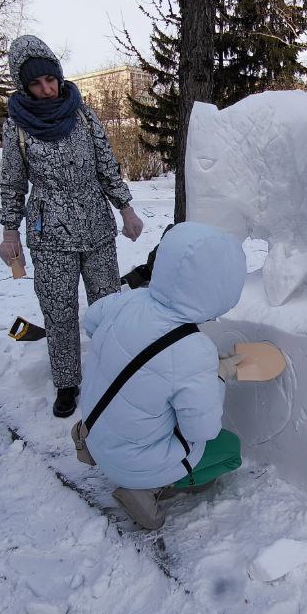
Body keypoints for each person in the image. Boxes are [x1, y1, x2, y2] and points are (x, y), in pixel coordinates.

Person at [0, 34, 144, 419]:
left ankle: (113, 369)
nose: (46, 90)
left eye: (50, 80)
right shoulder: (17, 127)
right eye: (36, 84)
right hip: (50, 236)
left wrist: (125, 208)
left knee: (108, 305)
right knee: (58, 311)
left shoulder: (83, 114)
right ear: (23, 86)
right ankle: (66, 382)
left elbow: (106, 166)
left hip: (96, 227)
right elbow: (12, 182)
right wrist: (9, 230)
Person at [80, 222, 246, 530]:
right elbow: (203, 430)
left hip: (93, 428)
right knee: (229, 451)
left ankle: (114, 459)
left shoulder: (129, 300)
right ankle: (146, 488)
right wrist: (217, 377)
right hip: (132, 460)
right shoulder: (194, 351)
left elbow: (90, 321)